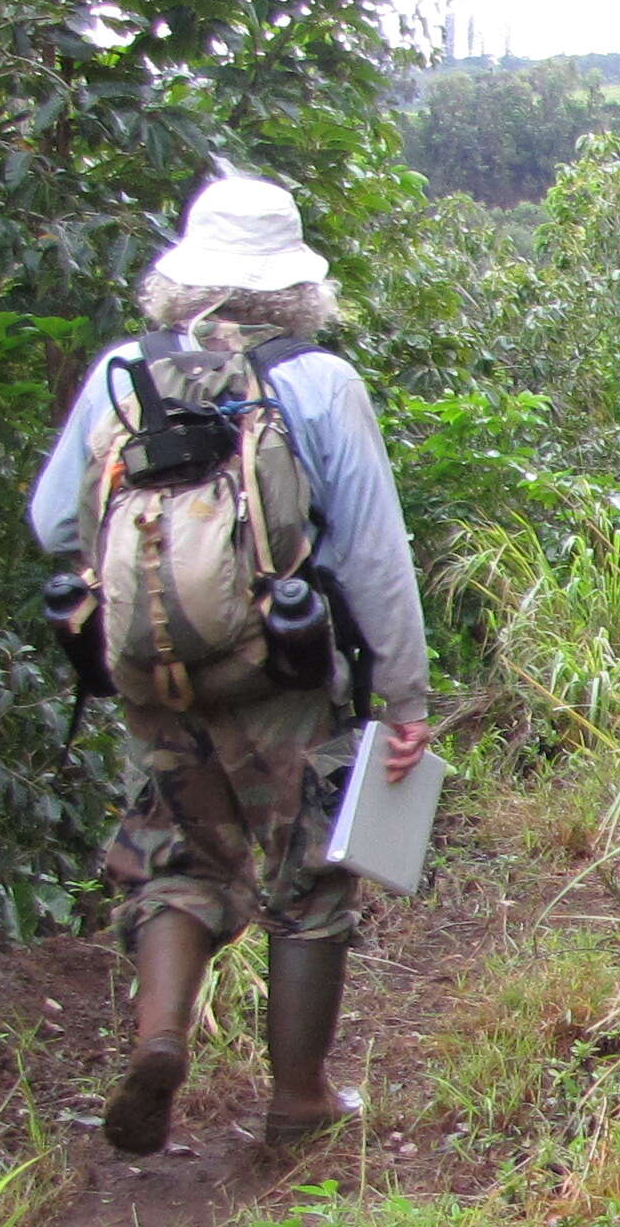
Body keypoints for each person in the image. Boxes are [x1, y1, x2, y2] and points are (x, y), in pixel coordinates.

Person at [27, 171, 434, 1156]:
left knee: (172, 862)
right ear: (295, 286)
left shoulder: (127, 369)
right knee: (309, 884)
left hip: (152, 672)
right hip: (287, 676)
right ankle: (298, 1101)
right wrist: (407, 693)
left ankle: (160, 1036)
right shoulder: (319, 381)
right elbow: (375, 554)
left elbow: (51, 522)